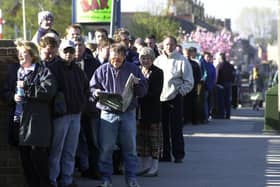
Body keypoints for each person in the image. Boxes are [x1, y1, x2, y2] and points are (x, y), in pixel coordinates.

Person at [90, 43, 148, 187]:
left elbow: (144, 89)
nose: (116, 61)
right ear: (109, 57)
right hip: (107, 113)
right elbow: (91, 88)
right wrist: (95, 93)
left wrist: (137, 85)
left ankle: (132, 179)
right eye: (113, 58)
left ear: (124, 57)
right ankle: (106, 179)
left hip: (128, 112)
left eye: (119, 58)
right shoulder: (102, 70)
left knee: (130, 148)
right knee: (106, 148)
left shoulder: (133, 69)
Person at [12, 40, 56, 187]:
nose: (20, 56)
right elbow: (5, 92)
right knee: (26, 164)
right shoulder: (16, 72)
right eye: (19, 53)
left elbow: (48, 91)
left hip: (36, 123)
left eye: (24, 53)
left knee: (39, 163)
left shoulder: (43, 71)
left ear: (32, 55)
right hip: (19, 122)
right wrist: (13, 96)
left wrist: (27, 89)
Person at [48, 39, 88, 187]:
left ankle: (67, 180)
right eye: (66, 51)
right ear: (60, 51)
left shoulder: (79, 71)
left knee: (70, 151)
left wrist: (81, 106)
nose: (69, 54)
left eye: (71, 51)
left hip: (75, 115)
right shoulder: (52, 68)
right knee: (56, 150)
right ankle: (52, 180)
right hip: (60, 116)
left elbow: (86, 90)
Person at [153, 36, 193, 163]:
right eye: (166, 45)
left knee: (176, 127)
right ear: (163, 46)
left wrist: (180, 93)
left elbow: (189, 81)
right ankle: (165, 154)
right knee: (162, 128)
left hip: (175, 97)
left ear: (175, 45)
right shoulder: (158, 61)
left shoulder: (182, 60)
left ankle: (178, 154)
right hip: (160, 98)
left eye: (171, 44)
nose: (169, 47)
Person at [72, 36, 101, 179]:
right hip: (73, 108)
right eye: (75, 45)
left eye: (80, 45)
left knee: (93, 140)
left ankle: (94, 169)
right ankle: (81, 168)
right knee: (74, 142)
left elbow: (98, 83)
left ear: (84, 46)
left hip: (90, 107)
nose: (77, 48)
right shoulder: (67, 62)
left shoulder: (93, 62)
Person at [136, 47, 163, 177]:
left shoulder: (158, 72)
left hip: (153, 111)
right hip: (140, 111)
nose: (145, 60)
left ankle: (154, 166)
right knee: (142, 139)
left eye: (147, 58)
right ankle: (144, 165)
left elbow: (156, 92)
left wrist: (139, 95)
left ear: (152, 59)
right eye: (142, 58)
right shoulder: (138, 70)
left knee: (153, 139)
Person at [183, 47, 201, 125]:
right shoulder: (183, 63)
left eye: (188, 54)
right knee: (186, 104)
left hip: (192, 86)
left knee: (193, 103)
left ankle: (194, 119)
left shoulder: (194, 64)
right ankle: (187, 119)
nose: (187, 56)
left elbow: (198, 75)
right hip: (186, 86)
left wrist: (195, 83)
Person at [216, 52, 235, 119]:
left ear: (220, 58)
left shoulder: (219, 65)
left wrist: (217, 83)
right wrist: (232, 81)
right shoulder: (230, 65)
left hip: (221, 84)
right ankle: (228, 114)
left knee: (222, 100)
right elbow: (233, 74)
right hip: (229, 84)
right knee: (228, 99)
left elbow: (217, 75)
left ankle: (222, 114)